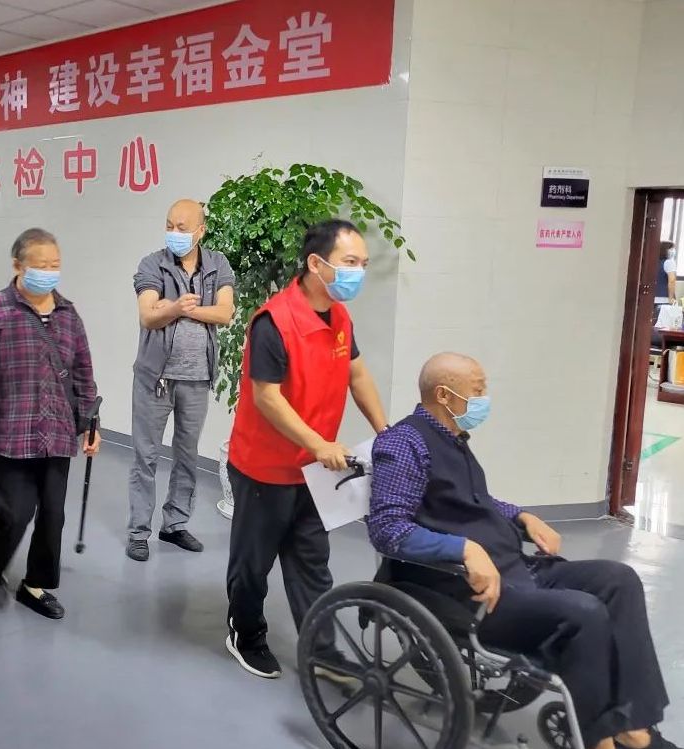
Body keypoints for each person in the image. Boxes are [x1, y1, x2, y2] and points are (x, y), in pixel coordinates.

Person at [368, 352, 677, 749]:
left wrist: (522, 516)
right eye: (478, 390)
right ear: (444, 395)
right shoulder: (404, 443)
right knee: (584, 613)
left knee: (619, 579)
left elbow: (476, 502)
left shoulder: (452, 438)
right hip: (468, 593)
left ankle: (631, 725)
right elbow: (387, 528)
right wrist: (462, 548)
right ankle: (599, 738)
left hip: (514, 568)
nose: (484, 398)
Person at [225, 219, 388, 679]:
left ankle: (322, 650)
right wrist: (317, 443)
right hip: (265, 467)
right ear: (316, 264)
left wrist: (386, 430)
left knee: (312, 561)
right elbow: (267, 397)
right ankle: (245, 634)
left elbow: (357, 373)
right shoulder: (274, 321)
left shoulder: (340, 317)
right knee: (253, 563)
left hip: (314, 472)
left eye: (363, 263)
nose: (358, 272)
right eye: (349, 262)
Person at [0, 228, 99, 620]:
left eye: (55, 265)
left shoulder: (69, 315)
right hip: (8, 434)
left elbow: (83, 374)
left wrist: (91, 424)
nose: (49, 272)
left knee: (53, 515)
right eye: (41, 265)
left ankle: (34, 585)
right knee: (13, 513)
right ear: (18, 266)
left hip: (57, 433)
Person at [126, 199, 235, 562]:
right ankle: (138, 531)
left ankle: (174, 525)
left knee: (187, 456)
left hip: (197, 377)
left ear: (200, 230)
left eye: (182, 227)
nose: (174, 233)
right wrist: (174, 308)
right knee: (145, 455)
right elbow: (147, 316)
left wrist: (179, 309)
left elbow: (226, 313)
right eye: (169, 225)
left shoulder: (218, 264)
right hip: (155, 377)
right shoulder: (152, 264)